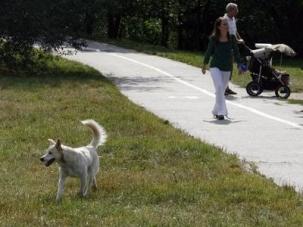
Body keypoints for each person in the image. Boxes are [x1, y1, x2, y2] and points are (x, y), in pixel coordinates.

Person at [202, 17, 242, 120]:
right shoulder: (214, 38)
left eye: (227, 24)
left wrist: (239, 64)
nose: (227, 26)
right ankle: (222, 112)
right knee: (219, 87)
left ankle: (215, 110)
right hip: (215, 66)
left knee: (221, 90)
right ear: (219, 26)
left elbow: (237, 52)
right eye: (224, 24)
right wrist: (204, 64)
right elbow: (208, 51)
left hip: (227, 67)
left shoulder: (232, 38)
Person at [223, 2, 244, 96]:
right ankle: (224, 88)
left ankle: (226, 87)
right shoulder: (225, 20)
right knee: (227, 67)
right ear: (230, 10)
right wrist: (237, 40)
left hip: (233, 45)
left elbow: (235, 31)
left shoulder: (233, 18)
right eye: (236, 9)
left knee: (230, 67)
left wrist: (240, 39)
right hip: (226, 46)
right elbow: (227, 33)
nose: (237, 11)